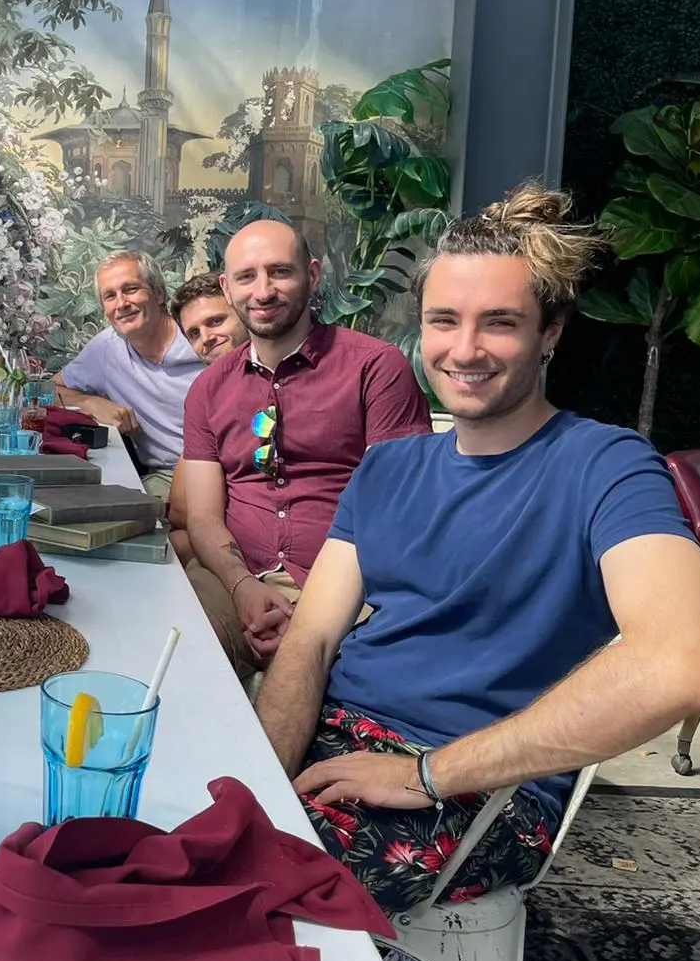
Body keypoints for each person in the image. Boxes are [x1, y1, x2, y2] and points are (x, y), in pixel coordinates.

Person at [255, 184, 700, 916]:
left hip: (482, 790)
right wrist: (262, 781)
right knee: (155, 831)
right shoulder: (387, 468)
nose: (463, 351)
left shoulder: (607, 466)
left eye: (498, 324)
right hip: (337, 747)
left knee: (248, 911)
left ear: (551, 331)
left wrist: (424, 774)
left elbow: (685, 664)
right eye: (444, 321)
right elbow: (309, 639)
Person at [183, 219, 430, 680]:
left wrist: (316, 613)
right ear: (226, 286)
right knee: (180, 661)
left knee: (331, 687)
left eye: (280, 272)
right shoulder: (207, 390)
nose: (263, 291)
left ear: (312, 275)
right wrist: (241, 588)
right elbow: (201, 517)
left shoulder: (375, 368)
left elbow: (397, 514)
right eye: (246, 277)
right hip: (235, 578)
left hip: (355, 588)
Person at [55, 251, 206, 498]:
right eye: (110, 296)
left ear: (159, 293)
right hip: (166, 474)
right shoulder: (106, 349)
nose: (122, 304)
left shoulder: (200, 337)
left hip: (223, 469)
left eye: (131, 289)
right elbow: (48, 392)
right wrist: (90, 402)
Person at [163, 272, 248, 562]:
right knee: (174, 543)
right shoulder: (209, 390)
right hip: (220, 525)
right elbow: (180, 510)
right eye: (194, 334)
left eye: (216, 321)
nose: (207, 339)